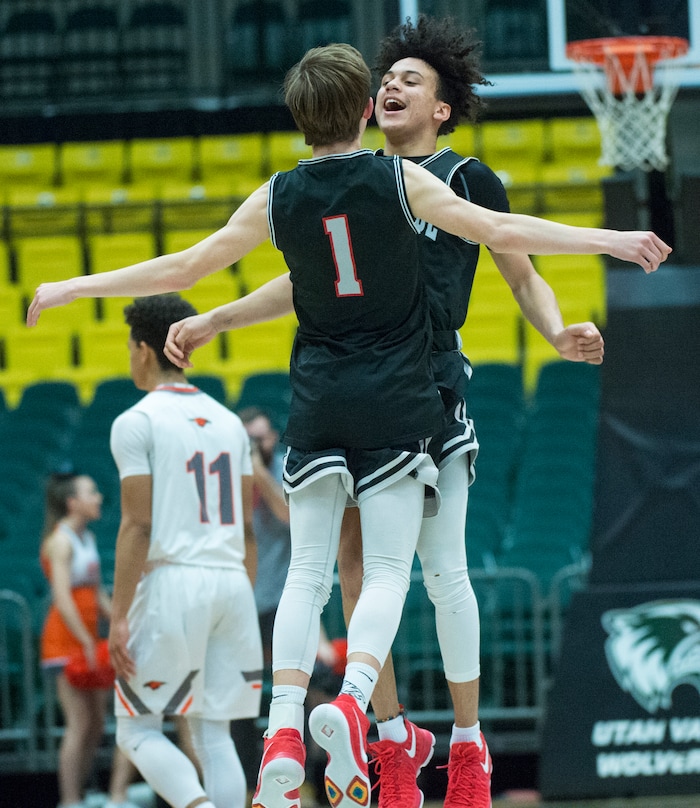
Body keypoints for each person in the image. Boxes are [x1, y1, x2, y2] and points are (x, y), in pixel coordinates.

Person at [27, 43, 670, 808]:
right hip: (387, 387)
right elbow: (307, 279)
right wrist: (612, 239)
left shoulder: (416, 180)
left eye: (411, 79)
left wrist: (558, 333)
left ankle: (416, 740)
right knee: (369, 573)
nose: (394, 83)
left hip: (384, 383)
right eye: (386, 77)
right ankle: (382, 731)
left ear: (438, 107)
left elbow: (513, 256)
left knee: (419, 575)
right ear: (366, 107)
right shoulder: (388, 181)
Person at [105, 293, 263, 808]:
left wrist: (120, 615)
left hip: (174, 581)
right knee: (213, 734)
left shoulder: (137, 421)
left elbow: (137, 523)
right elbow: (248, 531)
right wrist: (242, 594)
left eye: (130, 346)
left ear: (144, 350)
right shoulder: (230, 422)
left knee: (136, 730)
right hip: (232, 580)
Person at [39, 472, 139, 808]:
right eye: (91, 492)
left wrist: (119, 621)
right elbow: (62, 597)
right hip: (64, 642)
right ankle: (68, 800)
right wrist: (84, 641)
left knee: (96, 723)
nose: (98, 497)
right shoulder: (60, 541)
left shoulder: (87, 537)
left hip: (86, 638)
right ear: (72, 502)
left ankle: (80, 792)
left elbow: (95, 592)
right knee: (79, 723)